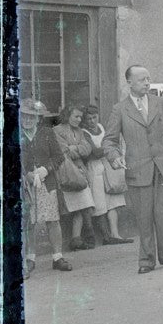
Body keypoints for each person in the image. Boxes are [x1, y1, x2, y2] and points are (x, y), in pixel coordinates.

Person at [102, 65, 163, 274]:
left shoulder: (161, 103)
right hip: (138, 170)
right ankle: (146, 261)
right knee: (144, 217)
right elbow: (109, 140)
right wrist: (114, 157)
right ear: (129, 82)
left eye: (148, 79)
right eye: (142, 80)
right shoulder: (120, 109)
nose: (147, 83)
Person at [20, 100, 71, 274]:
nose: (27, 120)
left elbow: (59, 157)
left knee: (52, 220)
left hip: (47, 183)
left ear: (38, 118)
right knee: (29, 222)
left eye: (31, 116)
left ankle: (57, 257)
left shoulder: (47, 133)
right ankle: (30, 259)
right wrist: (26, 174)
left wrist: (46, 169)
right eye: (24, 116)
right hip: (25, 186)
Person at [80, 103, 131, 246]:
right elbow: (94, 153)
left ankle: (115, 234)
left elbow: (110, 144)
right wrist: (109, 148)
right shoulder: (84, 132)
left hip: (108, 167)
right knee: (100, 202)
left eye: (94, 117)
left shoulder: (102, 128)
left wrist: (108, 148)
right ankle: (106, 236)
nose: (92, 121)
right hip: (94, 168)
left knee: (113, 201)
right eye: (88, 119)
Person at [52, 105, 99, 252]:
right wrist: (77, 148)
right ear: (68, 115)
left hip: (81, 173)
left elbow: (88, 149)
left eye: (80, 117)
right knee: (76, 207)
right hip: (67, 172)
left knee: (85, 205)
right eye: (76, 116)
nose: (79, 120)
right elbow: (63, 151)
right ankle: (79, 238)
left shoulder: (80, 131)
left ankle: (77, 239)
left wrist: (74, 148)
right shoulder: (57, 130)